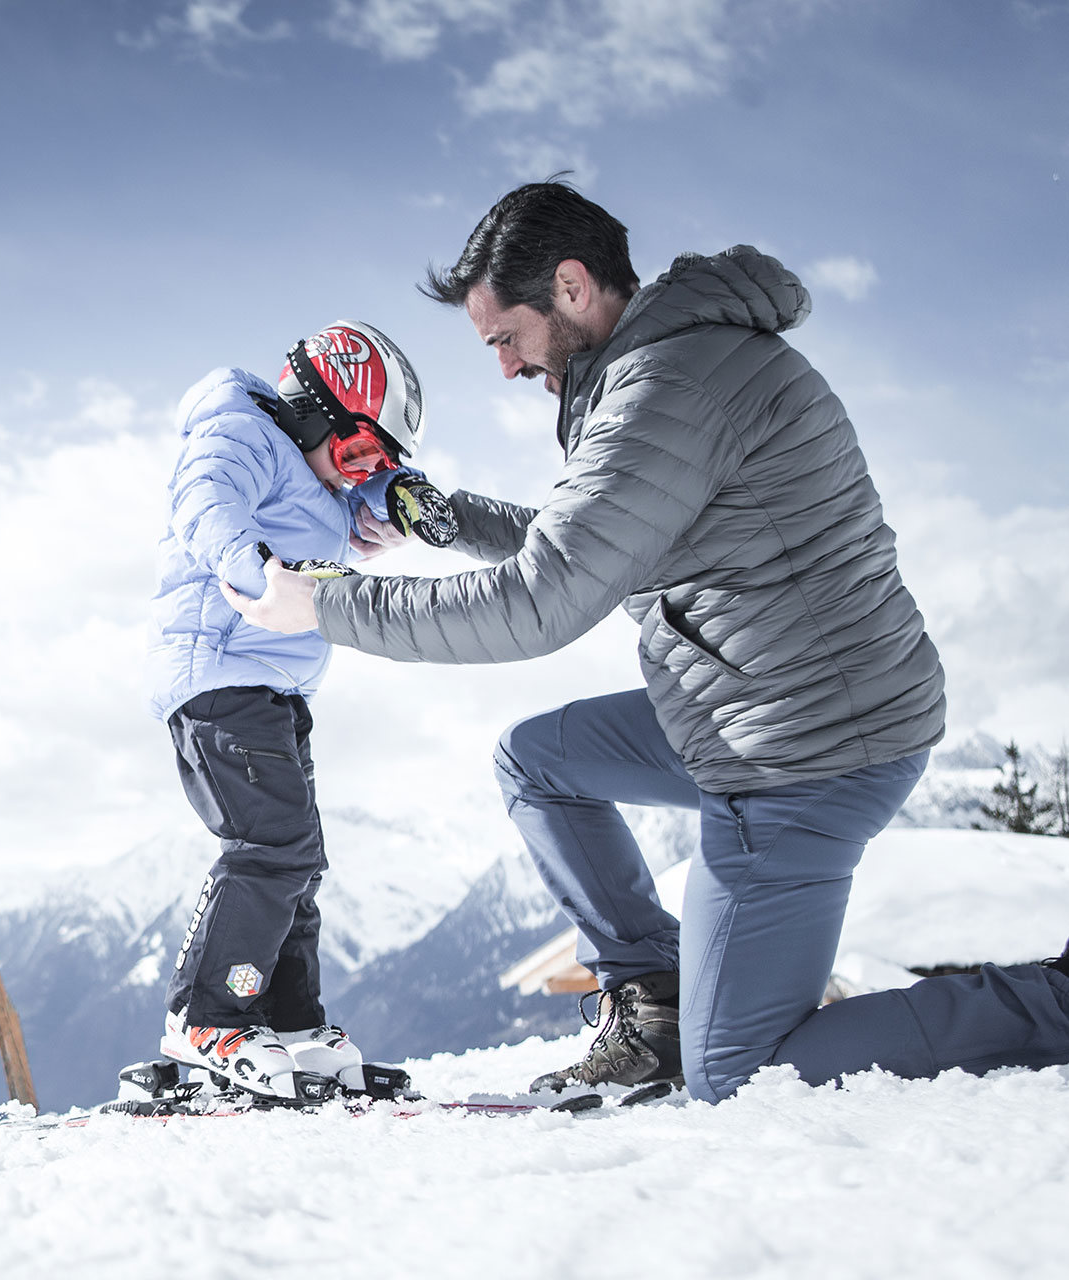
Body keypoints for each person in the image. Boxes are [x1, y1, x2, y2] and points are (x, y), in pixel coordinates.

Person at [222, 180, 1069, 1104]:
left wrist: (327, 604)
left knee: (739, 1074)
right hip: (762, 704)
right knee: (535, 760)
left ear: (573, 288)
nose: (502, 367)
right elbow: (598, 538)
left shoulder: (667, 387)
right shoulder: (668, 366)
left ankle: (1053, 1004)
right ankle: (657, 1002)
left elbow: (543, 598)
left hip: (806, 752)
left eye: (505, 337)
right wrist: (444, 517)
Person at [148, 319, 447, 1100]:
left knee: (299, 859)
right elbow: (205, 503)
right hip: (219, 670)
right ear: (314, 410)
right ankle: (205, 1014)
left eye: (374, 462)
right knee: (270, 846)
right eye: (357, 454)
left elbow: (355, 509)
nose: (358, 475)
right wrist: (258, 573)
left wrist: (396, 492)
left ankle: (285, 1020)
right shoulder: (238, 431)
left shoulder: (315, 473)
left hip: (273, 685)